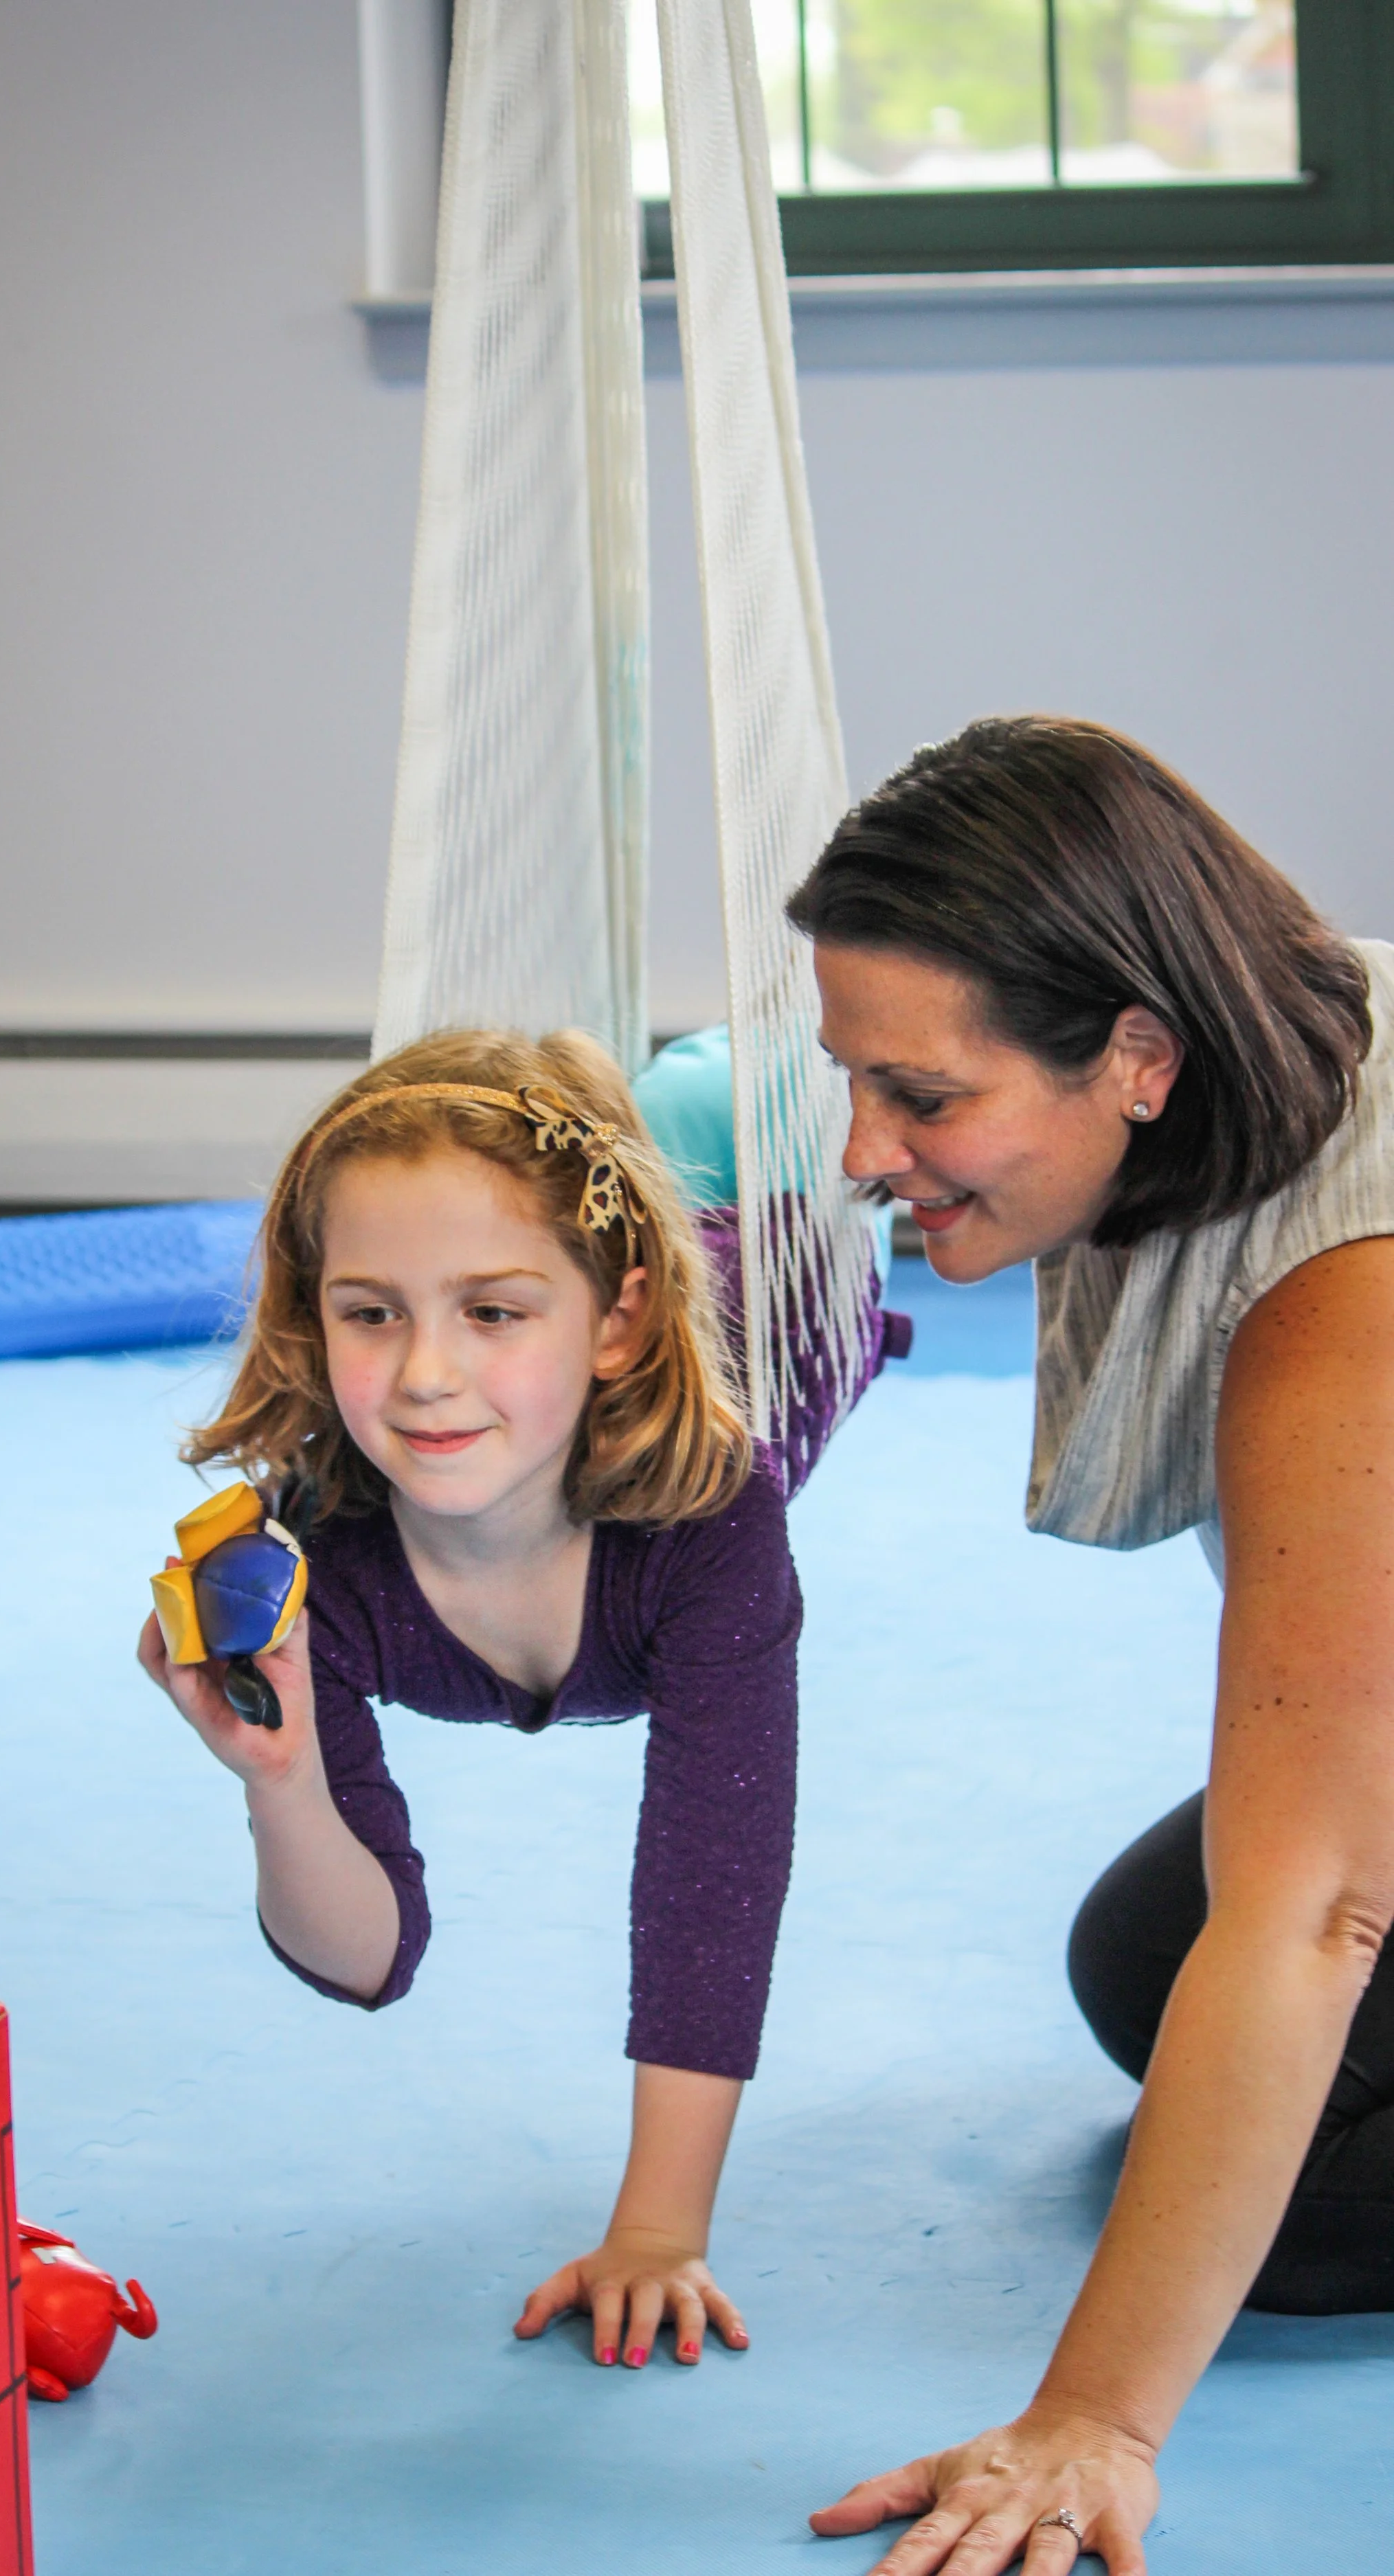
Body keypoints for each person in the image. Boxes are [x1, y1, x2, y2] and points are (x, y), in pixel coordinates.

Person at [787, 714, 1394, 2574]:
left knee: (1298, 2206)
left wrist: (1094, 2419)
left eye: (921, 1097)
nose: (866, 1150)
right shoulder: (1249, 1047)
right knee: (1145, 1952)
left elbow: (1317, 1908)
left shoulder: (1346, 1292)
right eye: (849, 1080)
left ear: (1134, 1051)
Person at [137, 1027, 893, 2374]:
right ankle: (592, 1085)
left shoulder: (711, 1526)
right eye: (371, 1313)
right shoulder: (322, 1568)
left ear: (613, 1326)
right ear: (316, 1320)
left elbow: (710, 1881)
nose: (423, 1373)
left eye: (489, 1311)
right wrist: (281, 1777)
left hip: (781, 1257)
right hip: (622, 1256)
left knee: (724, 1088)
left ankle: (671, 1069)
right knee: (583, 1139)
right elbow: (367, 1959)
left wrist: (659, 2228)